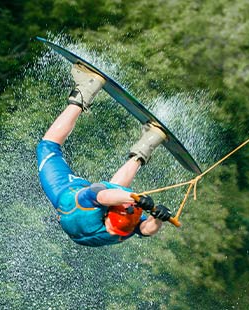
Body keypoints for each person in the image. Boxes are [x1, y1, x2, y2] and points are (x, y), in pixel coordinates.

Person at [36, 63, 174, 247]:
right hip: (93, 212)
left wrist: (134, 198)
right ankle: (148, 143)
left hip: (67, 195)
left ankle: (85, 92)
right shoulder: (124, 226)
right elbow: (145, 230)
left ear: (109, 214)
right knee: (116, 189)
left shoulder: (86, 207)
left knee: (47, 147)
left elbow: (101, 196)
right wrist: (158, 218)